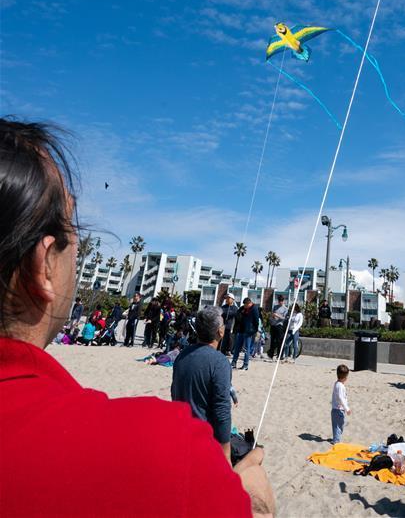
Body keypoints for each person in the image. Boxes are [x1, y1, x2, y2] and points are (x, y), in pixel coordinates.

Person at [0, 118, 274, 517]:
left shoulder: (185, 360)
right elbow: (219, 413)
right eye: (72, 223)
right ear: (42, 268)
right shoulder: (169, 448)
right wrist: (248, 490)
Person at [172, 306, 235, 461]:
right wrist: (225, 452)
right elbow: (222, 410)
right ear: (220, 332)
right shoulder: (219, 362)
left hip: (182, 430)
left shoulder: (182, 355)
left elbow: (174, 393)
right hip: (203, 438)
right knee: (257, 453)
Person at [231, 298, 260, 371]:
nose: (244, 306)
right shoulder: (242, 308)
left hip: (249, 331)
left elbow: (256, 321)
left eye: (246, 305)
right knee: (237, 347)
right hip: (241, 330)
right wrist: (241, 313)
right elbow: (237, 315)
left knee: (247, 349)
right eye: (244, 305)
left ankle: (245, 365)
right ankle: (233, 363)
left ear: (249, 303)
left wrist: (254, 331)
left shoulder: (254, 309)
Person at [331, 364, 351, 444]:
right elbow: (341, 398)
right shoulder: (340, 386)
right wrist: (347, 408)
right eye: (346, 376)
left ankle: (336, 438)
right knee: (338, 426)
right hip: (338, 410)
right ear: (344, 378)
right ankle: (336, 441)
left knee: (338, 426)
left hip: (335, 409)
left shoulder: (337, 383)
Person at [267, 295, 288, 360]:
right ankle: (271, 355)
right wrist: (273, 316)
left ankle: (280, 355)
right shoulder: (275, 307)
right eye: (279, 301)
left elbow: (284, 318)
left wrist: (278, 316)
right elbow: (272, 314)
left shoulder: (285, 309)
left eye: (281, 301)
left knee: (279, 341)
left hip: (279, 325)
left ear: (283, 301)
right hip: (273, 325)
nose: (280, 302)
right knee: (272, 340)